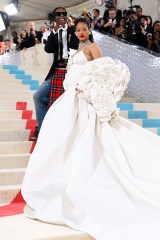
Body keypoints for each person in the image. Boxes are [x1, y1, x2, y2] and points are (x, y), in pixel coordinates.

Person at [22, 18, 160, 240]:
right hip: (71, 99)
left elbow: (106, 72)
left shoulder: (94, 47)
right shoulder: (78, 49)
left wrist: (85, 86)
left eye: (84, 29)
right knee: (63, 139)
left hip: (84, 99)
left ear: (89, 30)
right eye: (78, 30)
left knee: (89, 137)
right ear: (75, 33)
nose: (81, 32)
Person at [31, 7, 79, 140]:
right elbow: (48, 49)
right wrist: (56, 30)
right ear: (54, 17)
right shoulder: (52, 32)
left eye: (64, 14)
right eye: (59, 14)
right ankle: (43, 130)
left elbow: (75, 45)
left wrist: (68, 29)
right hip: (57, 70)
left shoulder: (73, 30)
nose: (62, 16)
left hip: (72, 71)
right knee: (38, 97)